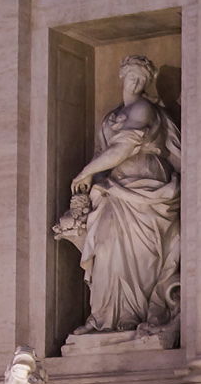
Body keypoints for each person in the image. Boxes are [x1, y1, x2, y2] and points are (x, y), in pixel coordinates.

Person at [60, 55, 181, 340]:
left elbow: (125, 147)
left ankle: (132, 315)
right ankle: (104, 316)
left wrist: (86, 173)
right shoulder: (111, 115)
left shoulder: (144, 109)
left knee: (140, 254)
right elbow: (105, 155)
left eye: (142, 79)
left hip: (147, 186)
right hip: (114, 189)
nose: (137, 83)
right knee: (106, 246)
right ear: (122, 76)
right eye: (132, 77)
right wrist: (94, 181)